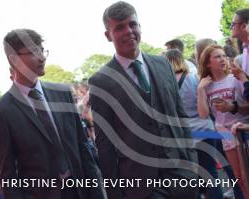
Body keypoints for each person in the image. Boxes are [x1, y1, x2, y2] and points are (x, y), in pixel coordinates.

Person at [89, 2, 198, 198]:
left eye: (132, 24)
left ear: (140, 26)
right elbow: (105, 143)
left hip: (181, 174)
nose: (128, 31)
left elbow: (181, 116)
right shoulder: (100, 81)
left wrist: (191, 165)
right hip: (140, 185)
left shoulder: (163, 64)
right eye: (119, 27)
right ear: (108, 35)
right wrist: (115, 193)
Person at [0, 29, 106, 199]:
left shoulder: (63, 93)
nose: (42, 57)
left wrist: (97, 193)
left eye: (42, 50)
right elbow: (7, 174)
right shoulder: (1, 110)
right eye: (34, 52)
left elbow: (83, 147)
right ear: (14, 59)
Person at [165, 49, 224, 198]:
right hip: (205, 130)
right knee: (211, 174)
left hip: (183, 135)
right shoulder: (195, 79)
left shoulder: (165, 85)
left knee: (192, 178)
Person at [197, 45, 249, 198]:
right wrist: (200, 90)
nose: (224, 59)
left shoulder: (235, 78)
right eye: (218, 56)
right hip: (225, 135)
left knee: (247, 175)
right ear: (208, 63)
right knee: (239, 178)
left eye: (224, 56)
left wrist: (232, 106)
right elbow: (203, 114)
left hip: (243, 131)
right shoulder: (206, 85)